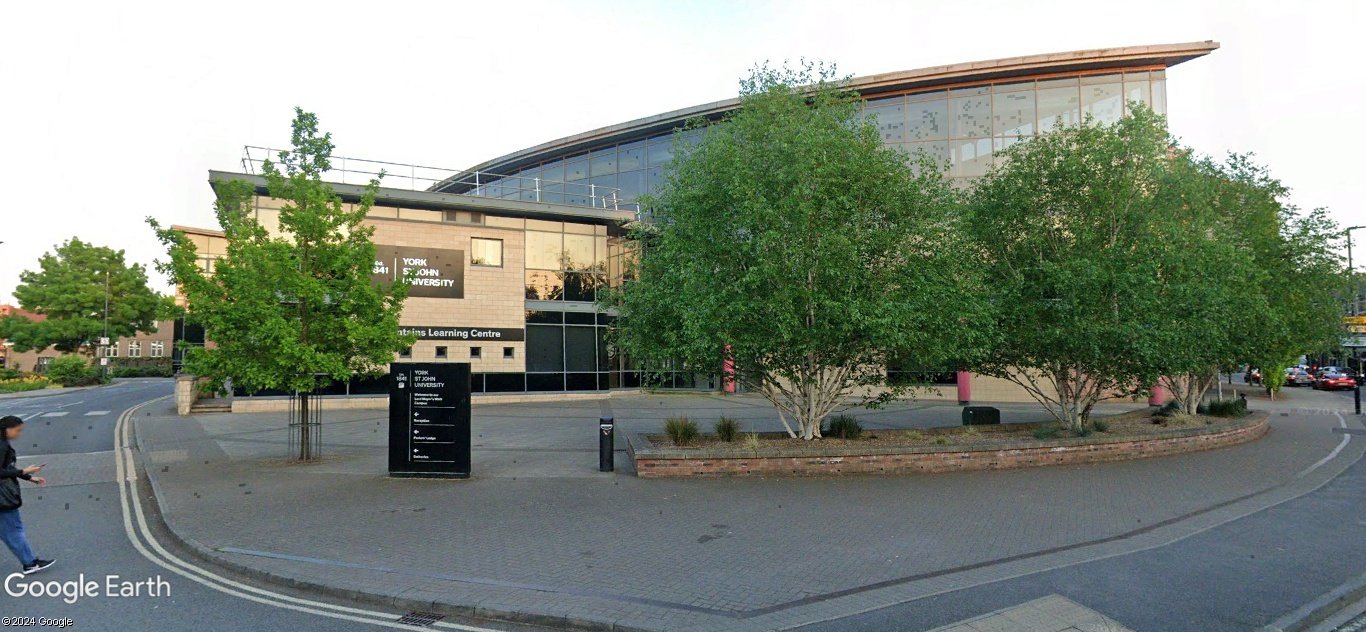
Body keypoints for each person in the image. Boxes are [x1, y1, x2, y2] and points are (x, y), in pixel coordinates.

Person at [1, 415, 54, 574]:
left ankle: (29, 562)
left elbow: (7, 468)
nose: (19, 434)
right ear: (7, 429)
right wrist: (24, 471)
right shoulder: (1, 446)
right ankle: (30, 563)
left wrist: (29, 477)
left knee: (10, 531)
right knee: (13, 531)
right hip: (3, 497)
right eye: (18, 430)